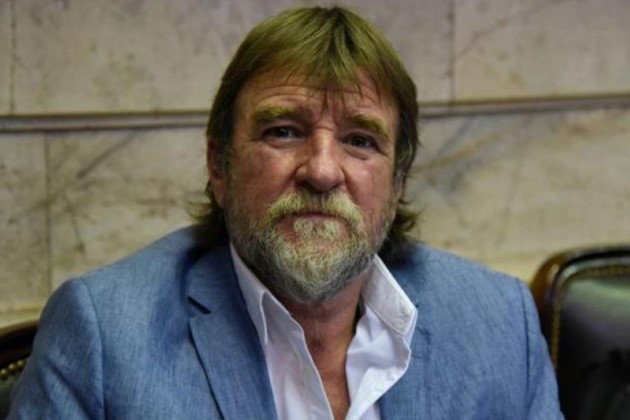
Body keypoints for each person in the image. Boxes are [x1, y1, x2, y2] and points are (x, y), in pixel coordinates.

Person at [9, 6, 563, 419]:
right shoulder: (105, 335)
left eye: (360, 141)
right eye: (283, 132)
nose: (321, 171)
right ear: (219, 164)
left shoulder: (499, 324)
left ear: (397, 183)